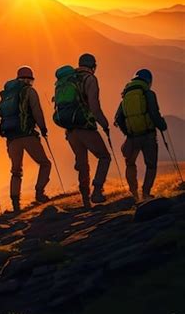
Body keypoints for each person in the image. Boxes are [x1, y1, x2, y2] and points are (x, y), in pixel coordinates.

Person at [0, 66, 51, 212]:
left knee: (16, 171)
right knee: (45, 163)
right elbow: (37, 111)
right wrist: (43, 128)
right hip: (27, 134)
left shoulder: (7, 94)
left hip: (11, 137)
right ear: (30, 79)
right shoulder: (29, 91)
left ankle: (16, 204)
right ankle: (40, 193)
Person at [65, 53, 111, 207]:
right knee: (104, 157)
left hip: (70, 130)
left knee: (82, 164)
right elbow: (94, 106)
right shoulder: (90, 79)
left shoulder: (68, 79)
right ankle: (97, 191)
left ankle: (85, 200)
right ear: (93, 66)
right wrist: (104, 124)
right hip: (86, 128)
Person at [114, 69, 167, 201]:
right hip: (148, 135)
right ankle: (146, 193)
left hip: (133, 137)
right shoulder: (148, 93)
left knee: (130, 164)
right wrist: (162, 125)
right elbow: (154, 113)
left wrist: (128, 133)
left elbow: (118, 118)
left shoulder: (125, 96)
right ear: (148, 81)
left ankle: (134, 195)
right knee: (151, 165)